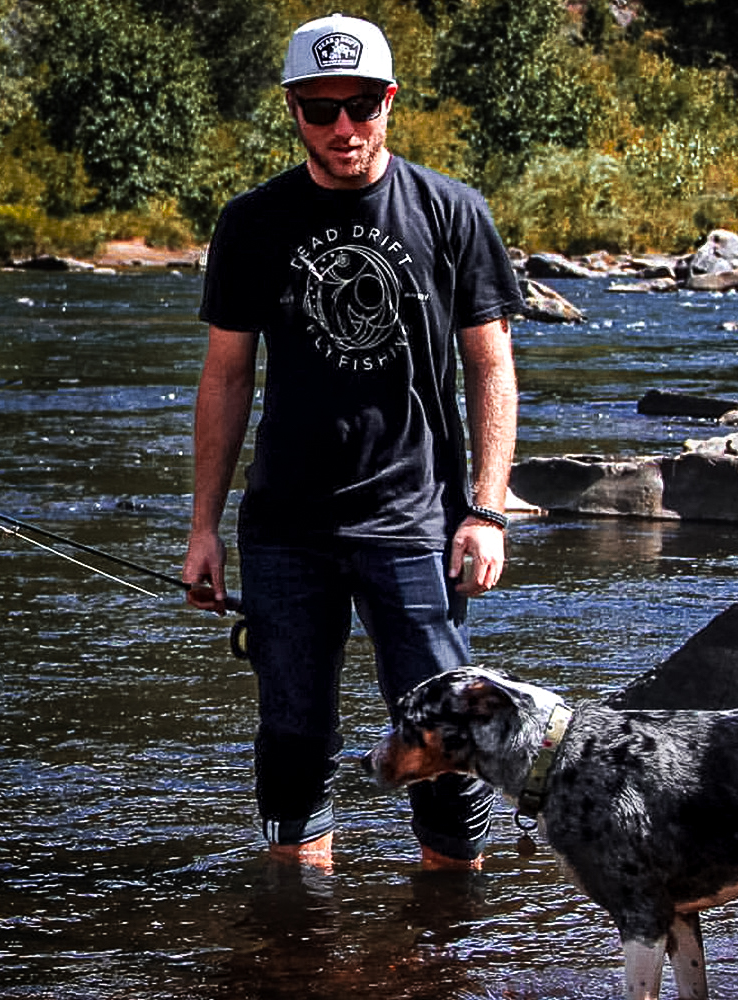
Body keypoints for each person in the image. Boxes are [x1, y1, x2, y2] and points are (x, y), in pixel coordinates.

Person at [182, 13, 523, 871]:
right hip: (285, 527)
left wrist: (486, 509)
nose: (343, 129)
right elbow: (226, 376)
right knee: (294, 736)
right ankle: (300, 946)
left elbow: (491, 369)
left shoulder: (452, 212)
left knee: (450, 733)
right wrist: (202, 528)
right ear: (293, 110)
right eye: (320, 109)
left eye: (361, 106)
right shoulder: (253, 222)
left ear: (390, 101)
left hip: (417, 520)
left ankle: (446, 938)